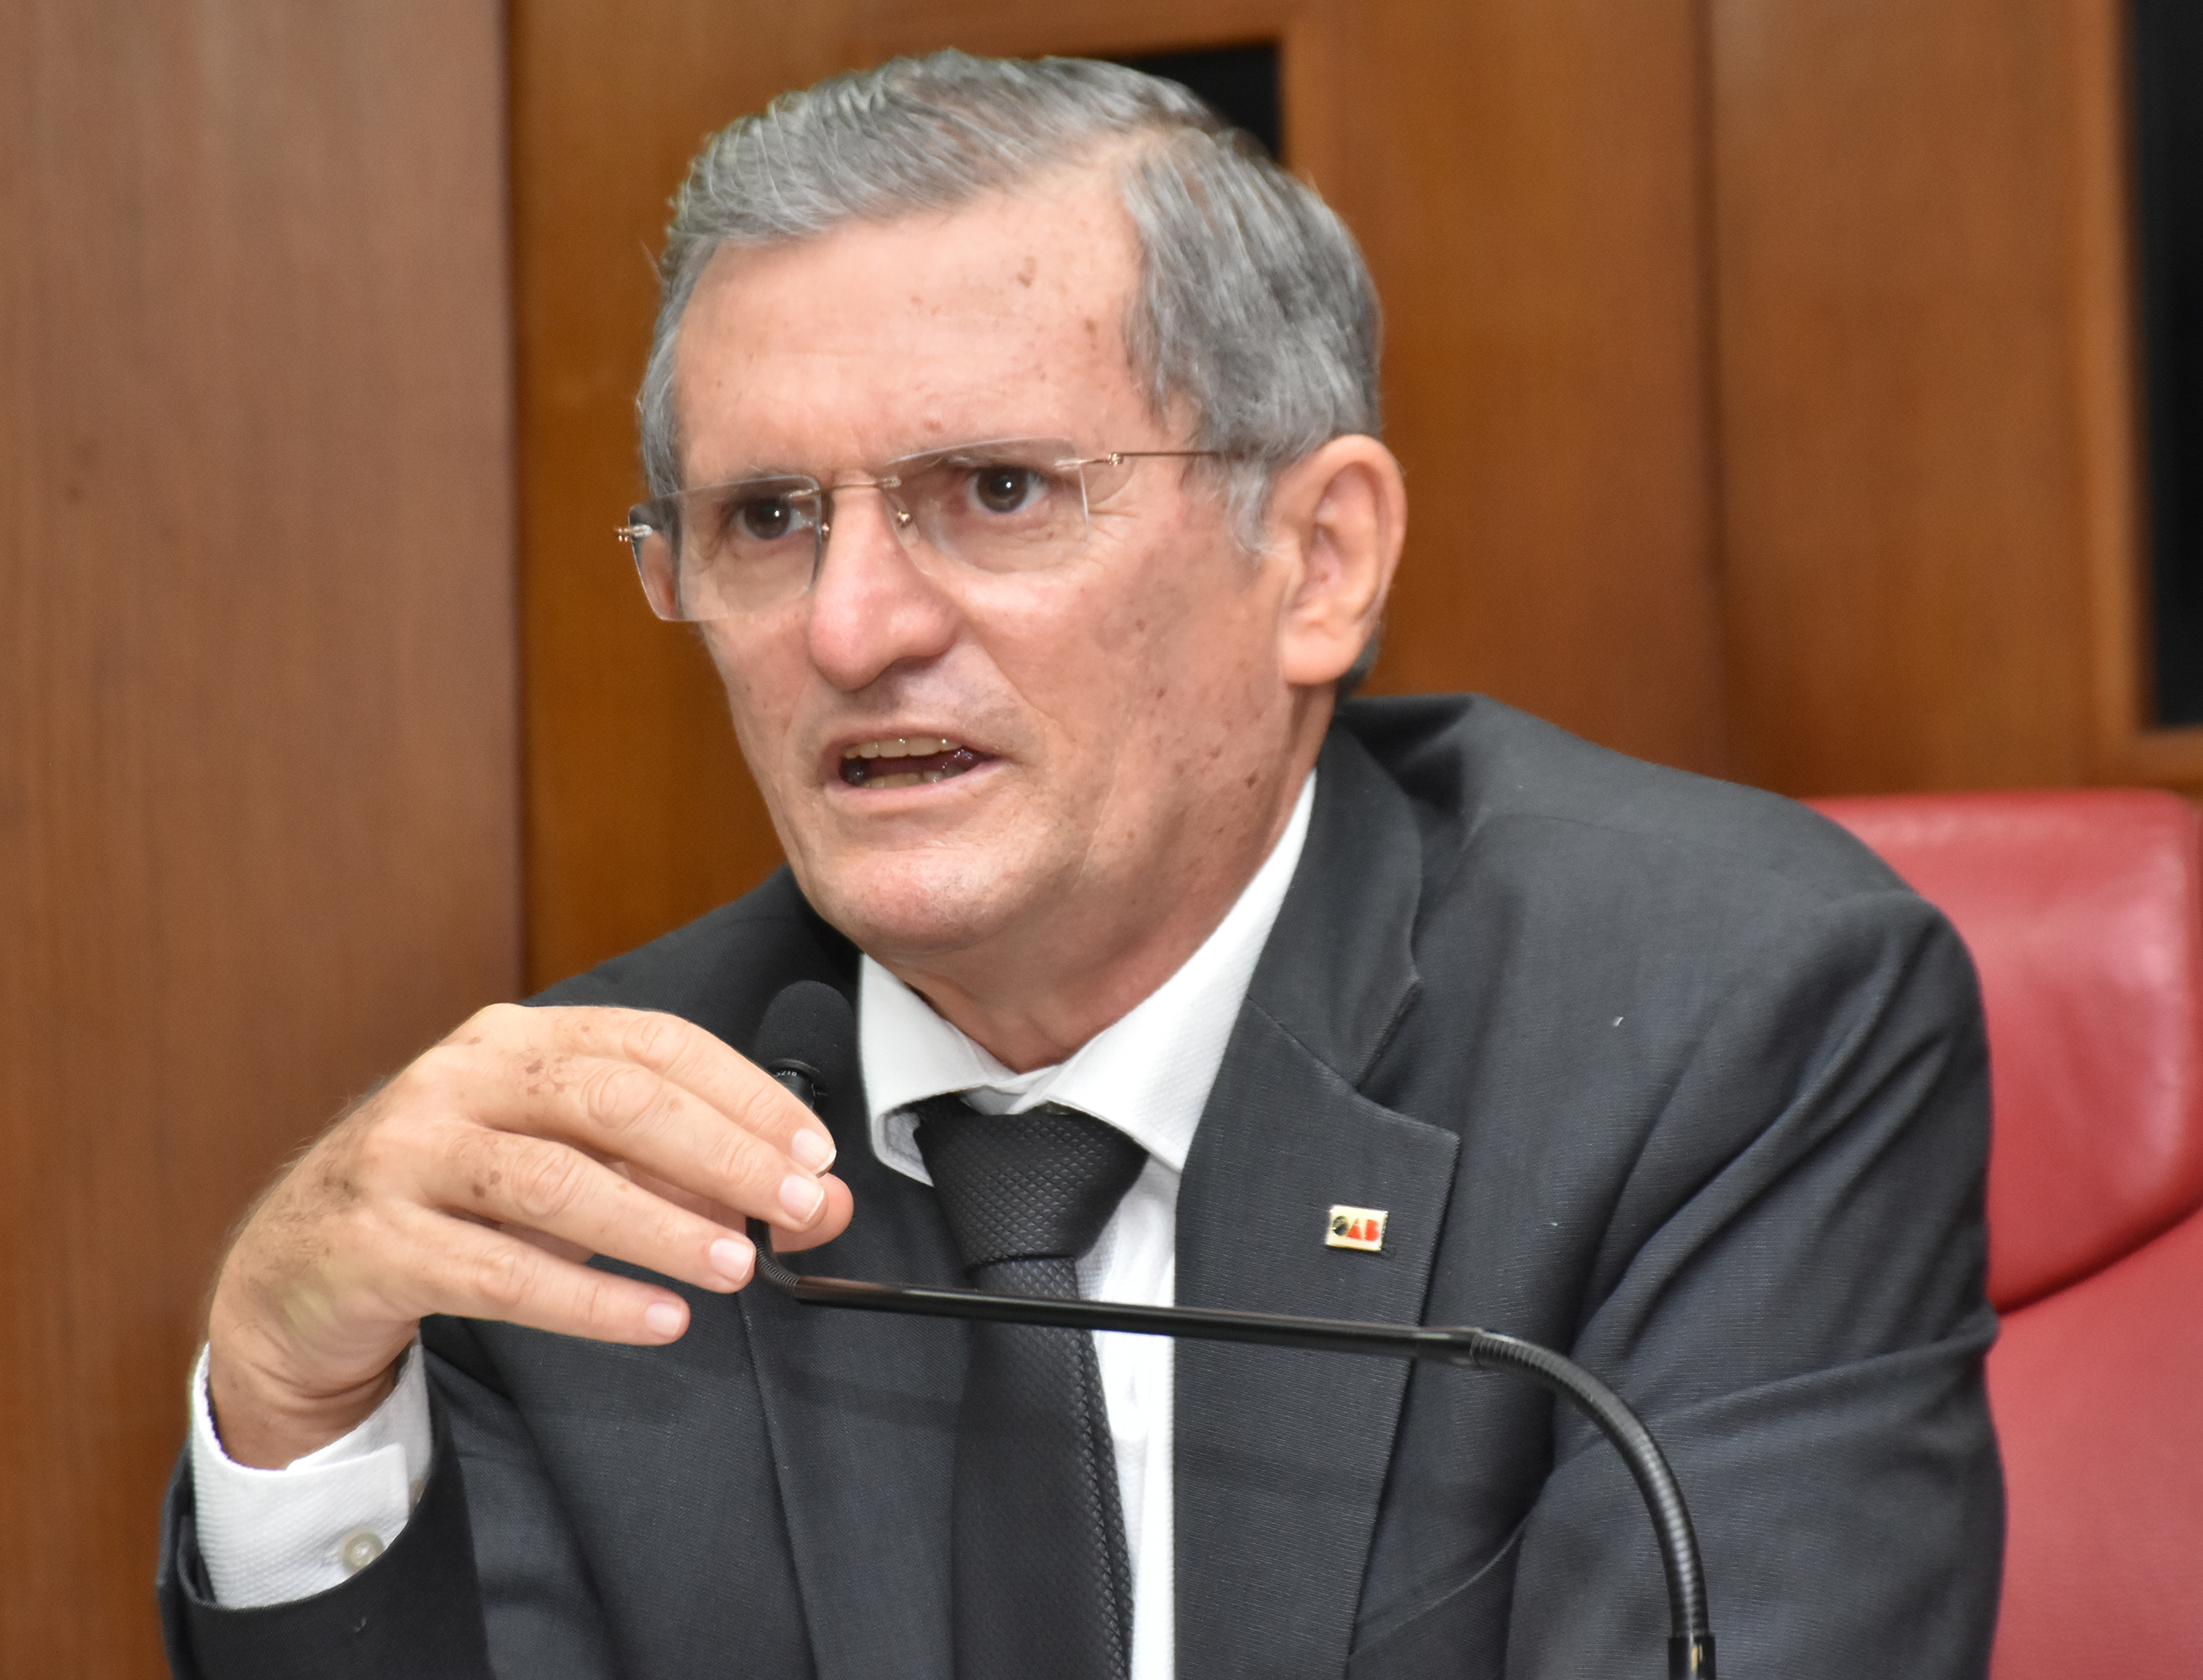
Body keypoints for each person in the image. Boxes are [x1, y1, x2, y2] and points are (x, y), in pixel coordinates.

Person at [159, 51, 2001, 1680]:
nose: (854, 626)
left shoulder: (1713, 1023)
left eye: (999, 491)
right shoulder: (583, 1171)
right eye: (768, 518)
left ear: (1319, 559)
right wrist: (296, 1404)